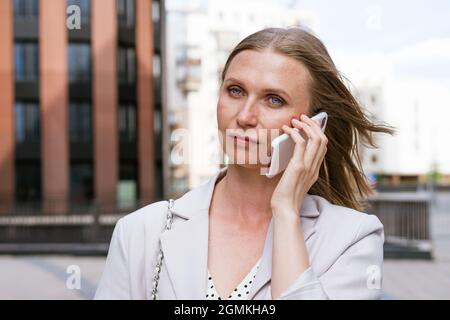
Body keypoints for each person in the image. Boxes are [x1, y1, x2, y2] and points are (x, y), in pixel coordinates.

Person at [94, 27, 395, 300]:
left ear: (315, 124)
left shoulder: (352, 239)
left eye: (273, 99)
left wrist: (286, 214)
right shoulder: (139, 231)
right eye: (235, 91)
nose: (245, 116)